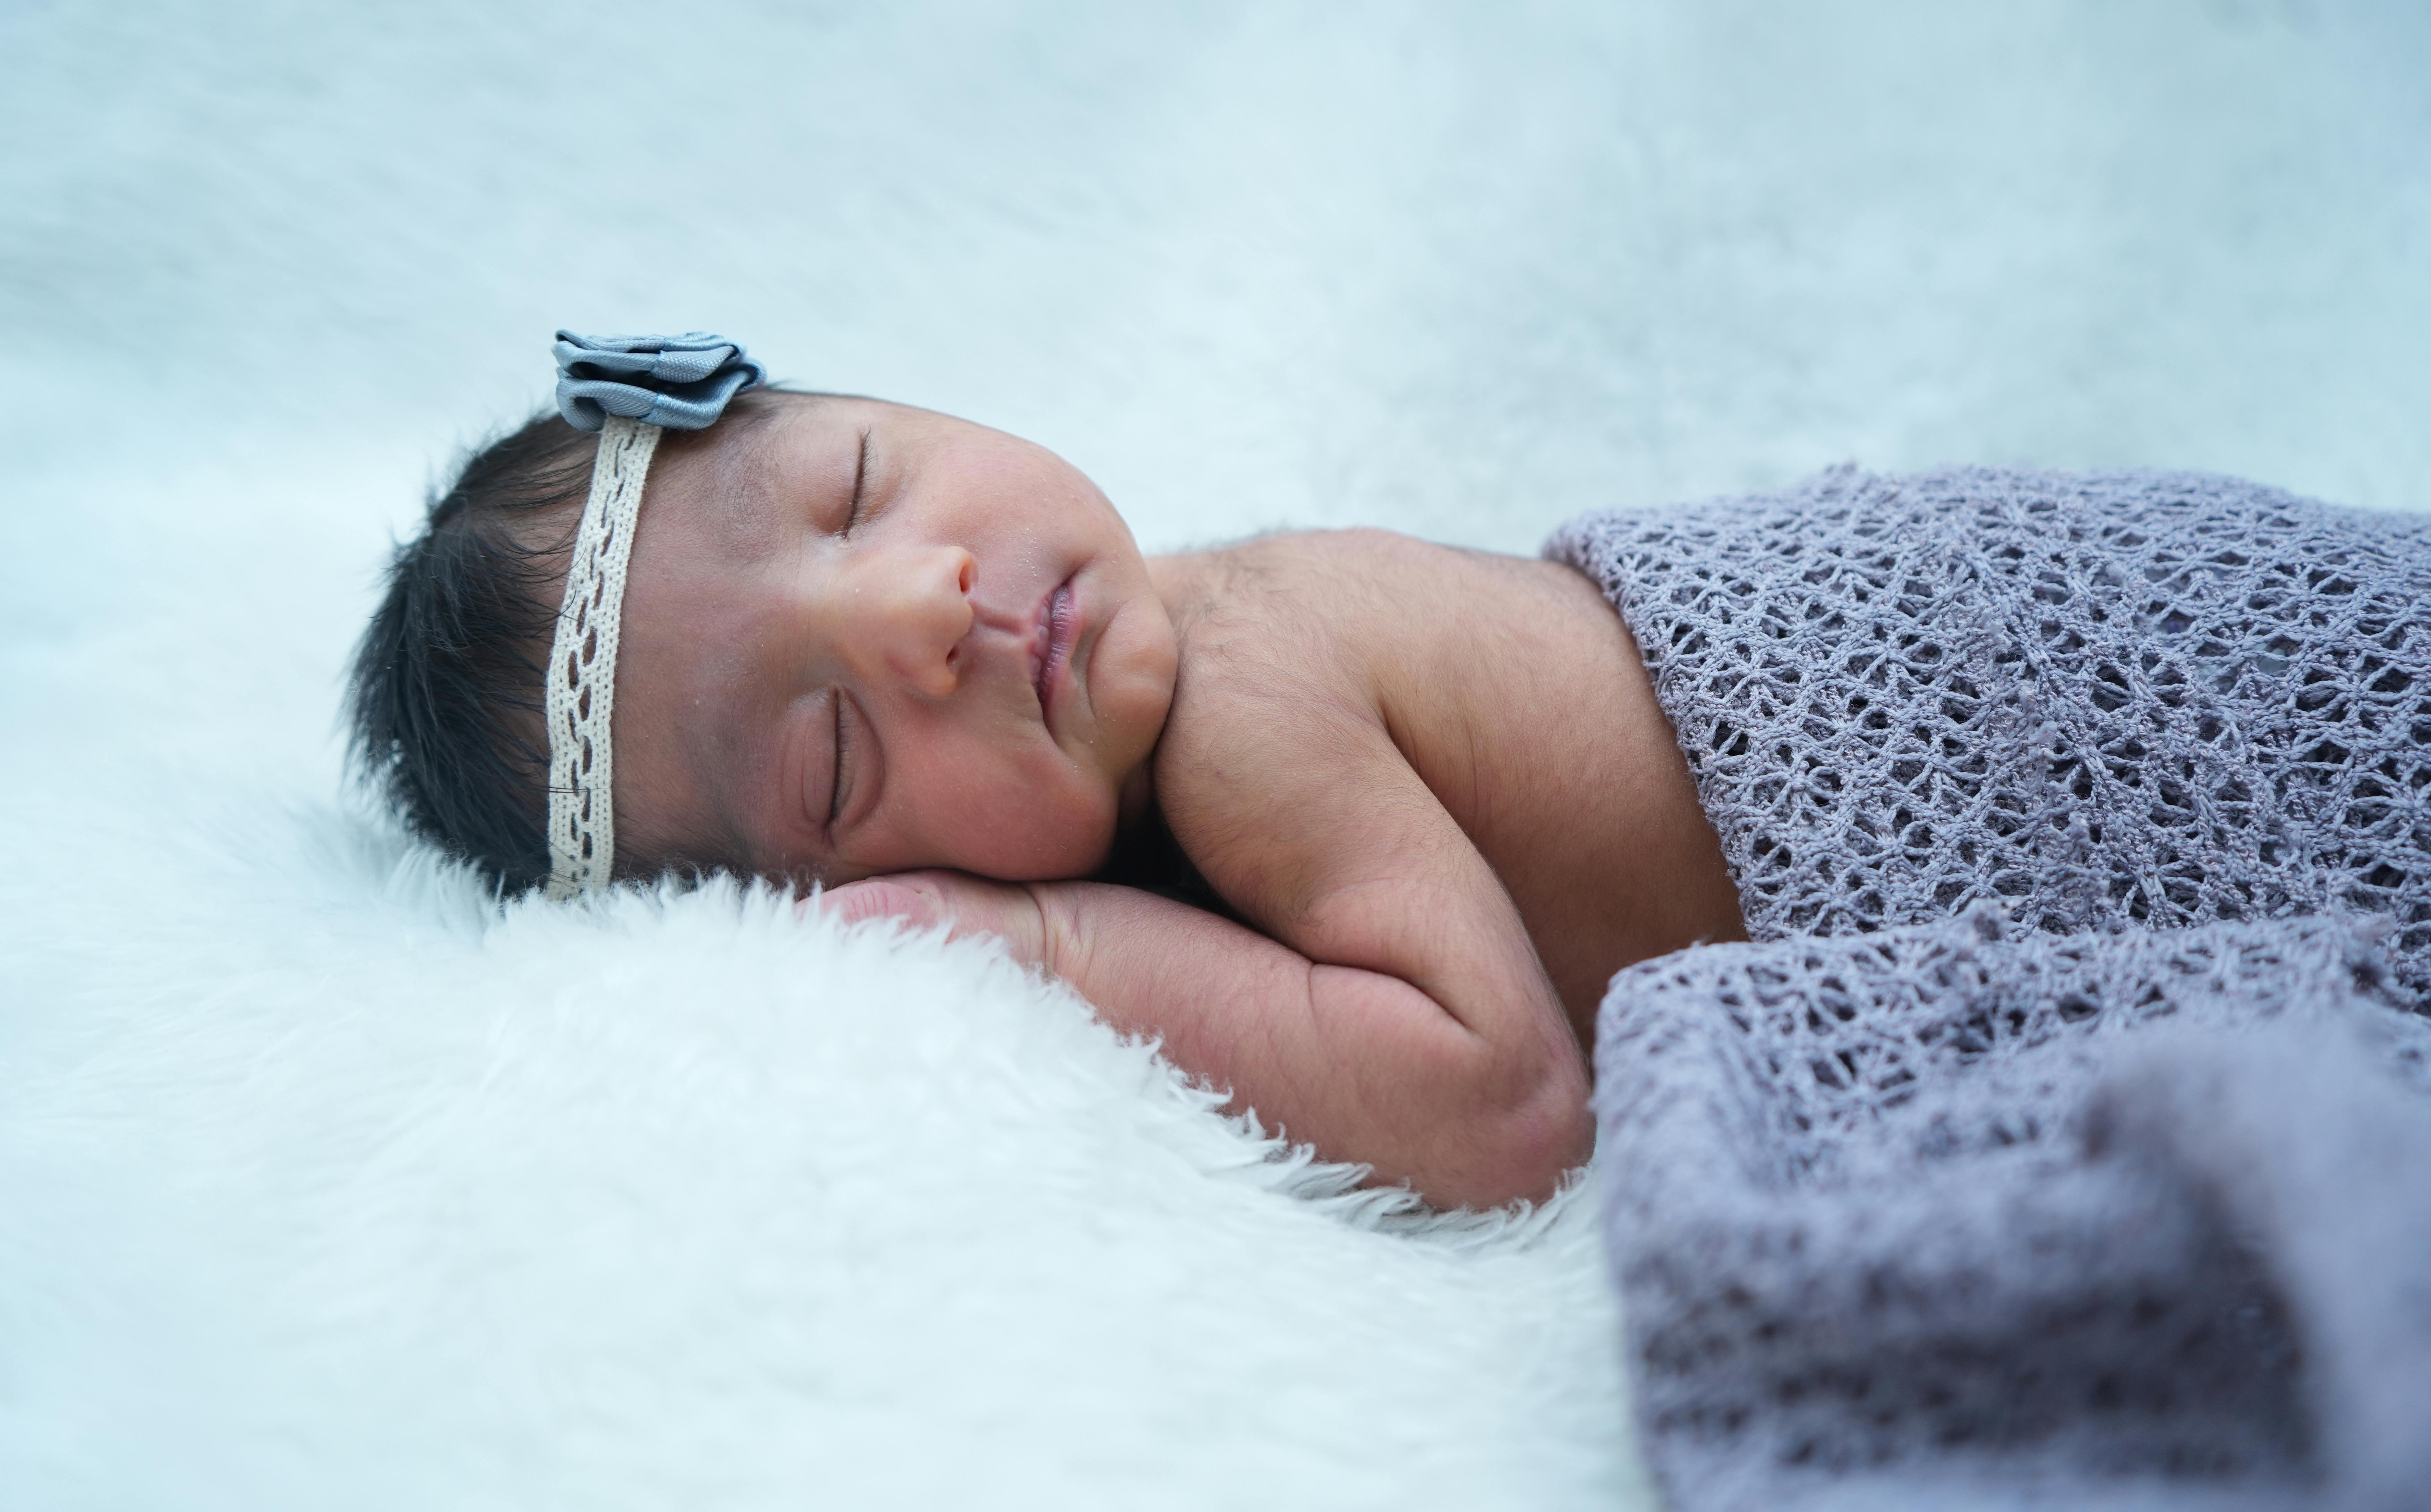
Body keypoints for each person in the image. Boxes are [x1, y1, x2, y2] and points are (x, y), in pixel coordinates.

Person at [351, 333, 2431, 1215]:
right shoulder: (1194, 747)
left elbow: (1500, 1100)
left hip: (2068, 676)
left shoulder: (1246, 683)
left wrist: (1057, 937)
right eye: (830, 749)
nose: (926, 607)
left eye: (867, 485)